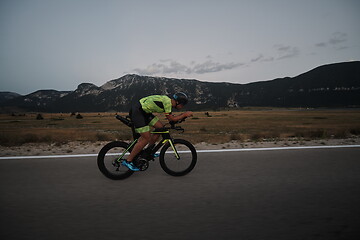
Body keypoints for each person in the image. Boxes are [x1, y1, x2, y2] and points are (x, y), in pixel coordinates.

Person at [122, 92, 193, 171]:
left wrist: (181, 117)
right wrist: (184, 115)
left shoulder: (168, 102)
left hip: (145, 113)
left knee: (160, 128)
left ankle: (148, 152)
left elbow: (172, 121)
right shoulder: (167, 103)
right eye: (183, 105)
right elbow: (171, 119)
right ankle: (128, 161)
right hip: (138, 111)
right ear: (178, 102)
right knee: (146, 138)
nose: (182, 107)